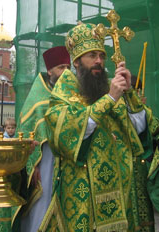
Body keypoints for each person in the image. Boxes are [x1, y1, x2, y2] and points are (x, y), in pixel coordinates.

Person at [44, 22, 155, 231]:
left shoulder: (111, 90)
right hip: (84, 196)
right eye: (92, 56)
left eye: (102, 56)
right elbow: (68, 138)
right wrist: (110, 99)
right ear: (76, 62)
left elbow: (140, 130)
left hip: (122, 196)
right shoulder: (63, 96)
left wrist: (129, 93)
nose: (99, 61)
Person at [10, 46, 70, 232]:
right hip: (45, 163)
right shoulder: (38, 99)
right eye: (61, 68)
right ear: (50, 70)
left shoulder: (73, 95)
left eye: (68, 67)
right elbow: (27, 131)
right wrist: (32, 165)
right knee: (41, 208)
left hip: (67, 161)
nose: (65, 73)